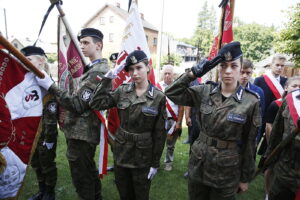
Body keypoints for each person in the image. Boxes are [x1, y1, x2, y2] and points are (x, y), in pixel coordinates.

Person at [165, 41, 261, 200]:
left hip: (227, 169)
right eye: (223, 65)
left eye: (234, 66)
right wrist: (192, 74)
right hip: (199, 163)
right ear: (218, 68)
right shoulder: (205, 91)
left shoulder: (250, 101)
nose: (228, 71)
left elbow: (250, 142)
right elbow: (172, 92)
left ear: (240, 67)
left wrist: (245, 177)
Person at [34, 28, 110, 200]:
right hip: (79, 132)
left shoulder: (98, 72)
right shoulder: (92, 69)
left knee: (82, 178)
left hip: (83, 134)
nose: (81, 46)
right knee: (88, 172)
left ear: (99, 45)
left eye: (86, 42)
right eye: (80, 42)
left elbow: (77, 104)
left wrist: (50, 86)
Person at [89, 50, 167, 200]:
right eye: (131, 69)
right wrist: (107, 79)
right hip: (122, 152)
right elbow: (95, 103)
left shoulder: (158, 97)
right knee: (124, 193)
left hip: (143, 155)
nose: (134, 73)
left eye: (138, 68)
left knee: (141, 195)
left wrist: (155, 163)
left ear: (148, 67)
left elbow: (159, 133)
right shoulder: (122, 91)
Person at [21, 46, 58, 200]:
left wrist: (49, 139)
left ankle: (50, 193)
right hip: (32, 132)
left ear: (41, 61)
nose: (25, 63)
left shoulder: (47, 83)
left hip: (45, 134)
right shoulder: (28, 82)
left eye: (28, 60)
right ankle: (41, 190)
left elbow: (50, 115)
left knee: (47, 164)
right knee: (36, 163)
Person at [263, 76, 300, 198]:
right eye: (294, 86)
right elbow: (275, 132)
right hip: (285, 172)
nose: (297, 89)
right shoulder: (289, 102)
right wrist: (268, 156)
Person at [254, 54, 287, 156]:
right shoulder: (259, 80)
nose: (279, 67)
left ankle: (266, 165)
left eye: (282, 66)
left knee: (272, 143)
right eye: (277, 65)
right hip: (261, 116)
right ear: (271, 64)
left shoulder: (286, 81)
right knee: (255, 142)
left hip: (275, 118)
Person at [157, 65, 184, 171]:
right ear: (163, 74)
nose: (167, 75)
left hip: (173, 120)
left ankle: (168, 163)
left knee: (170, 145)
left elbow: (181, 106)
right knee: (158, 143)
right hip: (160, 120)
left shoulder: (177, 87)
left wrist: (179, 122)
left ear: (173, 75)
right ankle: (155, 163)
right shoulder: (157, 86)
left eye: (169, 73)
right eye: (165, 73)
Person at [239, 58, 265, 145]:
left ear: (252, 73)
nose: (245, 76)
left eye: (248, 73)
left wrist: (257, 138)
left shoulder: (258, 91)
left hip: (249, 133)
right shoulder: (228, 88)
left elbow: (260, 116)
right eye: (242, 72)